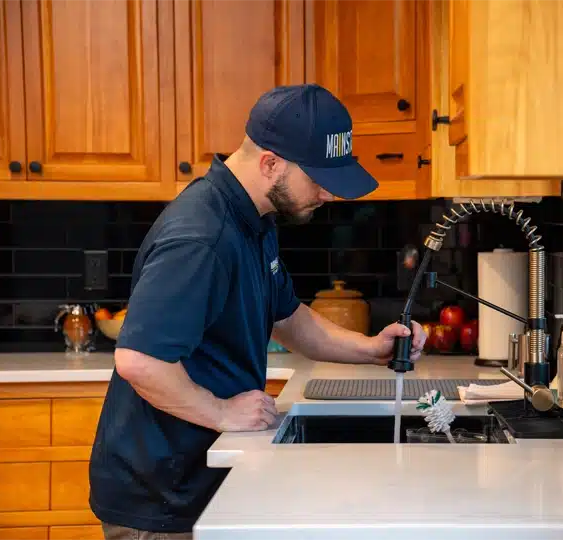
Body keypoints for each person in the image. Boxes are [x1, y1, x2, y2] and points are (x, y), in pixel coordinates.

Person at [88, 83, 428, 539]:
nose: (328, 194)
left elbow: (287, 318)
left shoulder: (255, 218)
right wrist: (223, 412)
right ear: (270, 163)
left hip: (199, 475)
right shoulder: (201, 235)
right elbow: (139, 361)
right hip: (161, 495)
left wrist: (372, 349)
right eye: (317, 179)